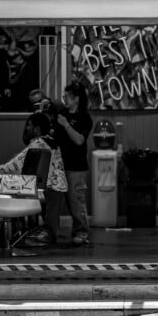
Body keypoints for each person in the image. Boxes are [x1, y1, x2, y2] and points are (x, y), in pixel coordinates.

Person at [0, 113, 67, 245]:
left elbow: (13, 165)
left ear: (37, 129)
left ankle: (1, 231)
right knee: (51, 230)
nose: (26, 128)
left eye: (29, 125)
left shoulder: (38, 143)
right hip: (57, 187)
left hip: (44, 189)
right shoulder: (53, 142)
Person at [54, 81, 93, 247]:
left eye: (67, 97)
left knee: (77, 201)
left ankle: (81, 232)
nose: (65, 100)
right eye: (64, 97)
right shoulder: (61, 113)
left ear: (77, 98)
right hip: (59, 164)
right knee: (55, 201)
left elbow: (79, 140)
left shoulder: (85, 118)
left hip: (77, 167)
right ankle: (51, 231)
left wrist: (66, 125)